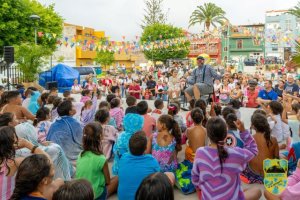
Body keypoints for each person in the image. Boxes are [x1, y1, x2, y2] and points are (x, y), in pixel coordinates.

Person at [191, 117, 261, 200]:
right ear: (225, 134)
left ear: (208, 134)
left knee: (242, 190)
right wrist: (243, 131)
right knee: (257, 191)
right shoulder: (235, 154)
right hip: (231, 197)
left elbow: (195, 178)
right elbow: (253, 150)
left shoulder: (200, 152)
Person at [0, 126, 51, 199]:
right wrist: (28, 145)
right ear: (12, 143)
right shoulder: (12, 163)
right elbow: (47, 161)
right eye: (16, 137)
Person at [76, 122, 118, 199]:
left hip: (81, 193)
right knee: (117, 179)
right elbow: (107, 181)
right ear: (100, 137)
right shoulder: (101, 159)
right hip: (95, 195)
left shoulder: (80, 155)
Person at [118, 131, 160, 200]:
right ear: (146, 148)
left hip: (123, 198)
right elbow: (159, 176)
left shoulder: (123, 158)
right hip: (145, 196)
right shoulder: (151, 160)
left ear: (129, 147)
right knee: (170, 175)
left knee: (118, 178)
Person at [241, 113, 279, 184]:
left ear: (253, 126)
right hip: (268, 174)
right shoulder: (273, 139)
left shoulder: (249, 138)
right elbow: (276, 158)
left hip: (253, 173)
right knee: (282, 156)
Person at [47, 100, 83, 167]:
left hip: (57, 158)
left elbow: (48, 141)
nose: (75, 107)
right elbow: (81, 141)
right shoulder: (74, 123)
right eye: (73, 106)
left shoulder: (54, 124)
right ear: (70, 112)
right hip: (73, 158)